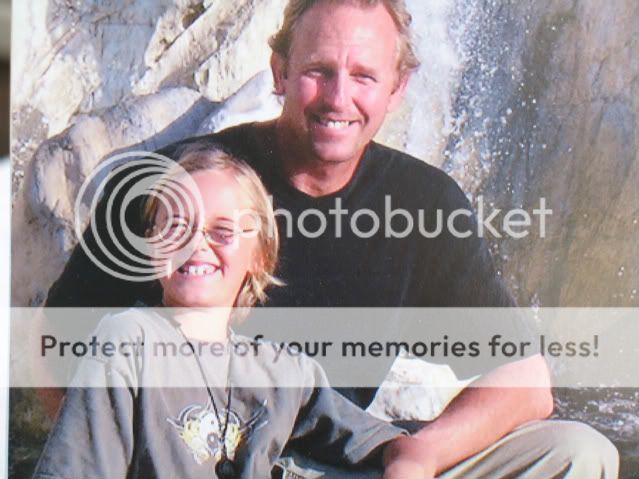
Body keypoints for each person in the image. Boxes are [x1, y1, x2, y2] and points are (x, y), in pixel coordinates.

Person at [45, 0, 619, 477]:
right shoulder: (182, 188)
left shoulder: (426, 203)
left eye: (365, 76)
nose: (338, 98)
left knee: (578, 452)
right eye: (319, 69)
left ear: (397, 88)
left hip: (341, 461)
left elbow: (524, 383)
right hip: (199, 456)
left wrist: (418, 455)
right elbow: (53, 347)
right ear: (280, 71)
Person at [33, 146, 415, 478]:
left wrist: (405, 459)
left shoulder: (282, 370)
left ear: (259, 255)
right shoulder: (128, 339)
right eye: (178, 225)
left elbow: (381, 444)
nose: (196, 244)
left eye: (222, 232)